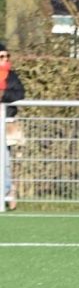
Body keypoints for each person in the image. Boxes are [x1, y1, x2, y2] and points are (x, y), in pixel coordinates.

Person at [1, 43, 25, 209]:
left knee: (4, 159)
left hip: (6, 122)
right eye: (1, 57)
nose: (5, 59)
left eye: (7, 56)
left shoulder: (12, 76)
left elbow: (19, 93)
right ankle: (8, 191)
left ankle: (7, 190)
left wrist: (3, 94)